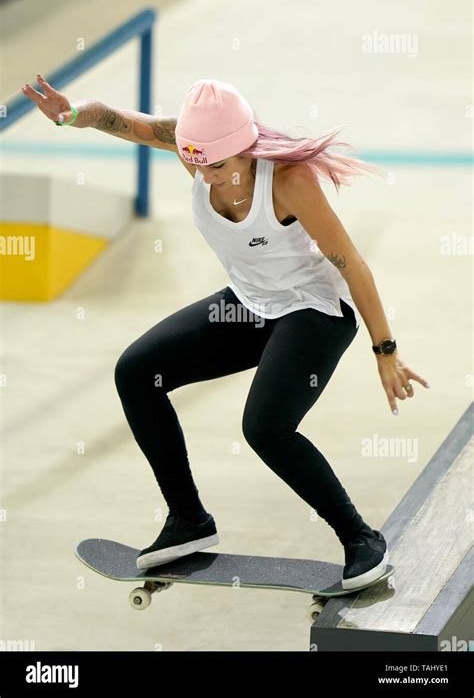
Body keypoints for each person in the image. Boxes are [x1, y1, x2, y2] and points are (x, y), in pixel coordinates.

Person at [23, 75, 430, 590]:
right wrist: (70, 114)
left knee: (264, 428)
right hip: (250, 306)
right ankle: (189, 520)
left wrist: (385, 350)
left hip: (315, 310)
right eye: (197, 163)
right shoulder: (193, 151)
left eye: (218, 167)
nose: (207, 176)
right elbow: (121, 122)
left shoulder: (287, 181)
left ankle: (360, 539)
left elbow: (352, 264)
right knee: (137, 371)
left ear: (246, 151)